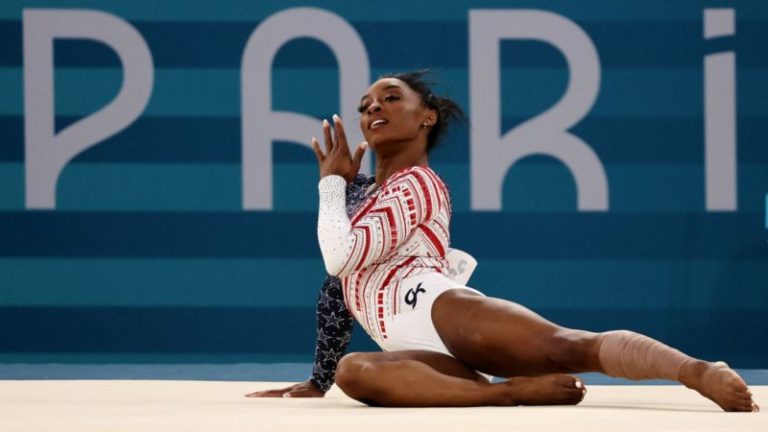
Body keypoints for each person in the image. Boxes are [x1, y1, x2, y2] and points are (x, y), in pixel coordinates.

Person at [246, 71, 759, 412]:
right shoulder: (359, 197)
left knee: (567, 346)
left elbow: (339, 255)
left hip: (439, 310)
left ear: (427, 117)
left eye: (390, 97)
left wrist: (330, 185)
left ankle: (697, 371)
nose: (372, 107)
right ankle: (506, 393)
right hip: (407, 351)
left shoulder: (419, 184)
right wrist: (319, 376)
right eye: (364, 105)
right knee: (355, 372)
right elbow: (337, 287)